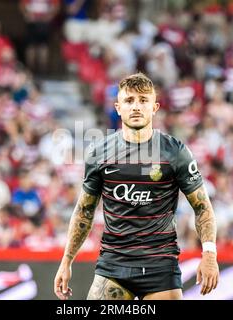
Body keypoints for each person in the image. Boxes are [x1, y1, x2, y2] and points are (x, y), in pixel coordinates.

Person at [54, 73, 219, 300]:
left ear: (155, 107)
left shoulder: (175, 152)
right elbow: (84, 210)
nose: (136, 107)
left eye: (143, 100)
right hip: (114, 266)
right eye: (129, 100)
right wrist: (66, 261)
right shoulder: (100, 153)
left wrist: (209, 253)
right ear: (118, 107)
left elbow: (202, 207)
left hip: (160, 267)